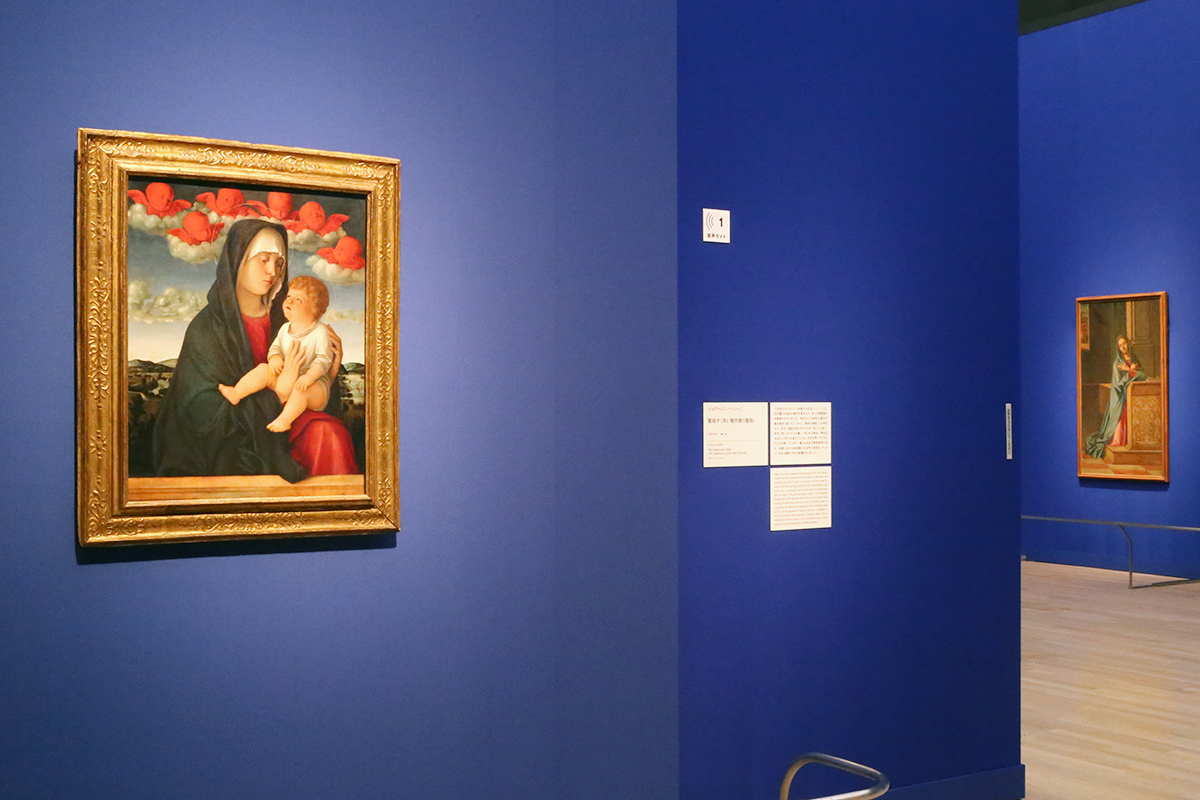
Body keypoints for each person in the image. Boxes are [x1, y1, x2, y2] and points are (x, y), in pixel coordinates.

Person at [152, 218, 358, 481]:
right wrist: (277, 396)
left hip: (289, 423)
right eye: (263, 260)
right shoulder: (207, 327)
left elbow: (313, 389)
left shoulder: (290, 320)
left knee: (329, 435)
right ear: (239, 260)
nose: (272, 271)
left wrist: (330, 371)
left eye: (279, 262)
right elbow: (199, 412)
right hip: (235, 445)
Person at [219, 275, 335, 433]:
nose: (289, 301)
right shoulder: (285, 329)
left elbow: (324, 359)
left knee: (301, 391)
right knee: (263, 369)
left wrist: (309, 377)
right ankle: (237, 393)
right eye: (289, 296)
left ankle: (285, 420)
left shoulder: (320, 332)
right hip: (286, 377)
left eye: (298, 300)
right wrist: (275, 360)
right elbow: (275, 349)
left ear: (315, 308)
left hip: (314, 386)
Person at [1084, 334, 1147, 458]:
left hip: (1131, 396)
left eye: (1124, 343)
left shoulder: (1134, 359)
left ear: (1128, 343)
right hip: (1119, 396)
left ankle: (1129, 442)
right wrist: (1130, 371)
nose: (1123, 347)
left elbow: (1143, 375)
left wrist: (1130, 370)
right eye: (1120, 345)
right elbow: (1119, 384)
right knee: (1120, 416)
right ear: (1118, 348)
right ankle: (1118, 441)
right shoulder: (1117, 363)